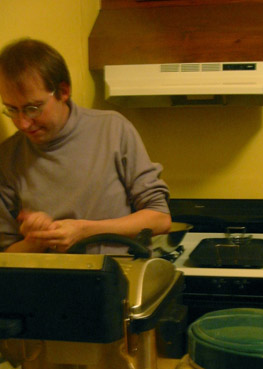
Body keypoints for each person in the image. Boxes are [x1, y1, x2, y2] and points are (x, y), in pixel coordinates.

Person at [0, 38, 171, 254]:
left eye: (32, 108)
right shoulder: (7, 157)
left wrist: (85, 230)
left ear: (63, 91)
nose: (23, 123)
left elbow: (160, 219)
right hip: (48, 283)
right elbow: (6, 256)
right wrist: (38, 239)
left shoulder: (112, 129)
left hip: (118, 279)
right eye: (12, 110)